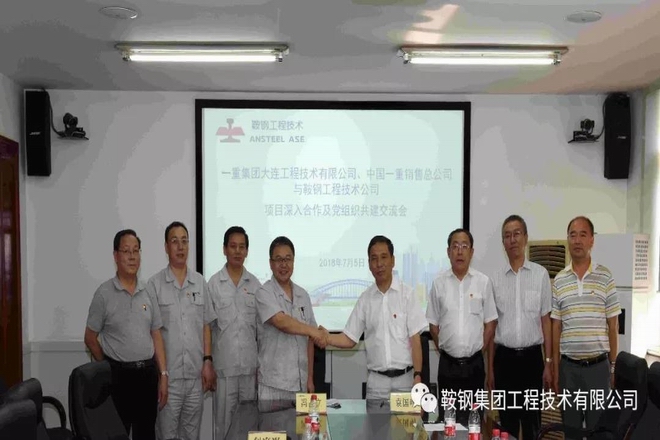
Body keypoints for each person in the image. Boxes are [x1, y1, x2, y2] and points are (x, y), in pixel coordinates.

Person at [84, 229, 168, 440]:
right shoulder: (104, 294)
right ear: (115, 256)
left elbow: (156, 333)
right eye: (126, 251)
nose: (132, 256)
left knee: (146, 434)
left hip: (147, 376)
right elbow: (90, 338)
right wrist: (107, 367)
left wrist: (164, 374)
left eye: (136, 251)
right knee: (117, 434)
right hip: (119, 377)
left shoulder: (148, 291)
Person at [320, 235, 426, 399]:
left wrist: (418, 376)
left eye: (384, 257)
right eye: (374, 259)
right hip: (377, 383)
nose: (379, 264)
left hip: (405, 381)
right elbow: (349, 338)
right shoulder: (365, 299)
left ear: (393, 261)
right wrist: (326, 337)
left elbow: (415, 339)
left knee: (406, 418)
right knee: (376, 418)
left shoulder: (407, 294)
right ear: (369, 264)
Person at [551, 216, 621, 439]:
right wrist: (554, 368)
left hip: (598, 370)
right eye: (572, 235)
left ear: (592, 240)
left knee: (598, 432)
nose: (577, 240)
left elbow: (613, 325)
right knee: (571, 431)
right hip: (568, 370)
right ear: (568, 240)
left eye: (583, 234)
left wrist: (613, 367)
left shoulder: (605, 276)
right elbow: (556, 327)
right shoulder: (559, 280)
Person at [148, 222, 217, 440]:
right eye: (175, 241)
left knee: (191, 435)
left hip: (196, 377)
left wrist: (208, 361)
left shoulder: (200, 282)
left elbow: (206, 324)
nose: (180, 247)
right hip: (169, 379)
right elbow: (153, 332)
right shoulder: (154, 285)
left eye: (185, 241)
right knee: (166, 436)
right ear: (166, 247)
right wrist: (163, 374)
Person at [489, 215, 552, 440]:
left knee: (532, 424)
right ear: (503, 243)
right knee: (507, 426)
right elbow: (492, 326)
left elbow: (546, 321)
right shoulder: (494, 279)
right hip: (504, 361)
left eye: (517, 234)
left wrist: (548, 362)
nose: (512, 239)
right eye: (507, 236)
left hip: (532, 361)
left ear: (525, 238)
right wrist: (490, 369)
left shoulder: (540, 275)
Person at [426, 228, 497, 426]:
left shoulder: (483, 282)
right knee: (448, 422)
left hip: (475, 366)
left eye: (464, 246)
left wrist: (478, 350)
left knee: (474, 422)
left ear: (471, 252)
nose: (459, 251)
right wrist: (447, 349)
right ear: (448, 252)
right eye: (455, 246)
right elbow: (433, 326)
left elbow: (490, 323)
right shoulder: (439, 284)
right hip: (447, 367)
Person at [255, 236, 327, 400]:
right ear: (271, 263)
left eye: (288, 259)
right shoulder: (263, 293)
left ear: (293, 262)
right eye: (278, 259)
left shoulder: (303, 295)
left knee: (302, 419)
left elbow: (310, 340)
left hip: (301, 383)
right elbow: (282, 322)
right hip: (274, 385)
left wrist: (310, 378)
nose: (284, 264)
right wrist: (314, 331)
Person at [207, 226, 262, 439]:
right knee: (224, 428)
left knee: (249, 428)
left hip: (249, 370)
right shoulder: (214, 284)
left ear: (247, 251)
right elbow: (207, 328)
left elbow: (261, 332)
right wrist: (207, 362)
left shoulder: (255, 285)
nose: (237, 251)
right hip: (224, 371)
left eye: (242, 247)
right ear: (224, 249)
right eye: (233, 246)